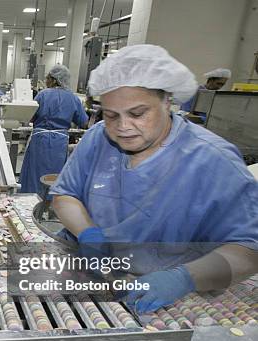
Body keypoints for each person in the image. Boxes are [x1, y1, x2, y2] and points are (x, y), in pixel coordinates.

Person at [50, 45, 258, 314]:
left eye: (137, 114)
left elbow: (248, 250)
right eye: (111, 115)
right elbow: (65, 194)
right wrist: (87, 232)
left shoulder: (212, 160)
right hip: (92, 275)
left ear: (167, 102)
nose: (122, 127)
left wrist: (184, 278)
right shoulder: (98, 139)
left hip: (165, 296)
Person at [19, 64, 88, 194]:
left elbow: (30, 117)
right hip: (59, 142)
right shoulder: (73, 98)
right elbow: (83, 122)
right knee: (56, 174)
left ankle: (31, 200)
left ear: (55, 79)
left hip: (40, 140)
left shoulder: (42, 95)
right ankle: (51, 203)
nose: (46, 81)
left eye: (48, 78)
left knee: (34, 172)